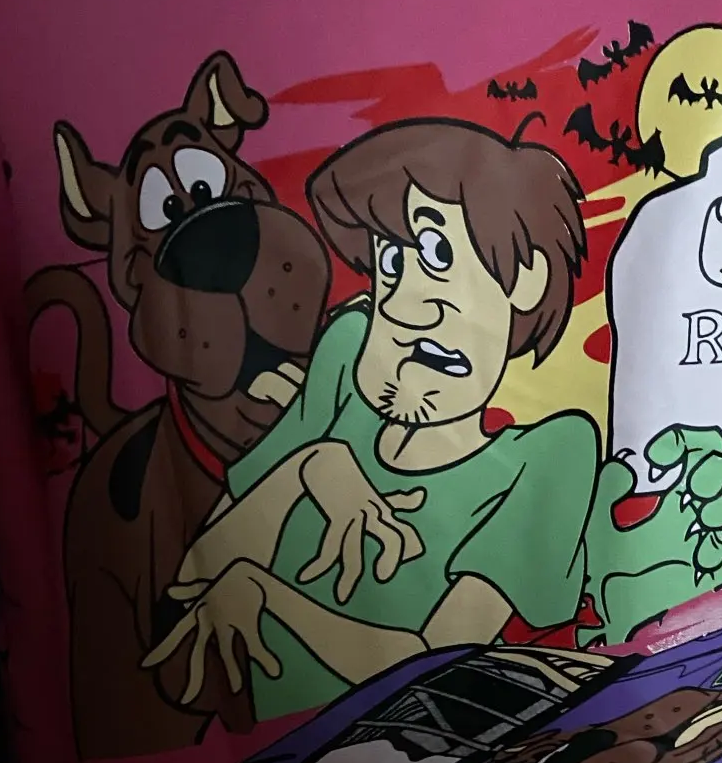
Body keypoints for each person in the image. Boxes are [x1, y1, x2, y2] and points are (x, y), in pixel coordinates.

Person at [146, 118, 595, 719]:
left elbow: (438, 666)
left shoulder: (553, 452)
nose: (403, 306)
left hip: (423, 756)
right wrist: (309, 467)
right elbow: (195, 574)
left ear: (526, 278)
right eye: (391, 262)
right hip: (275, 759)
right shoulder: (348, 354)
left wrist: (269, 597)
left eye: (437, 254)